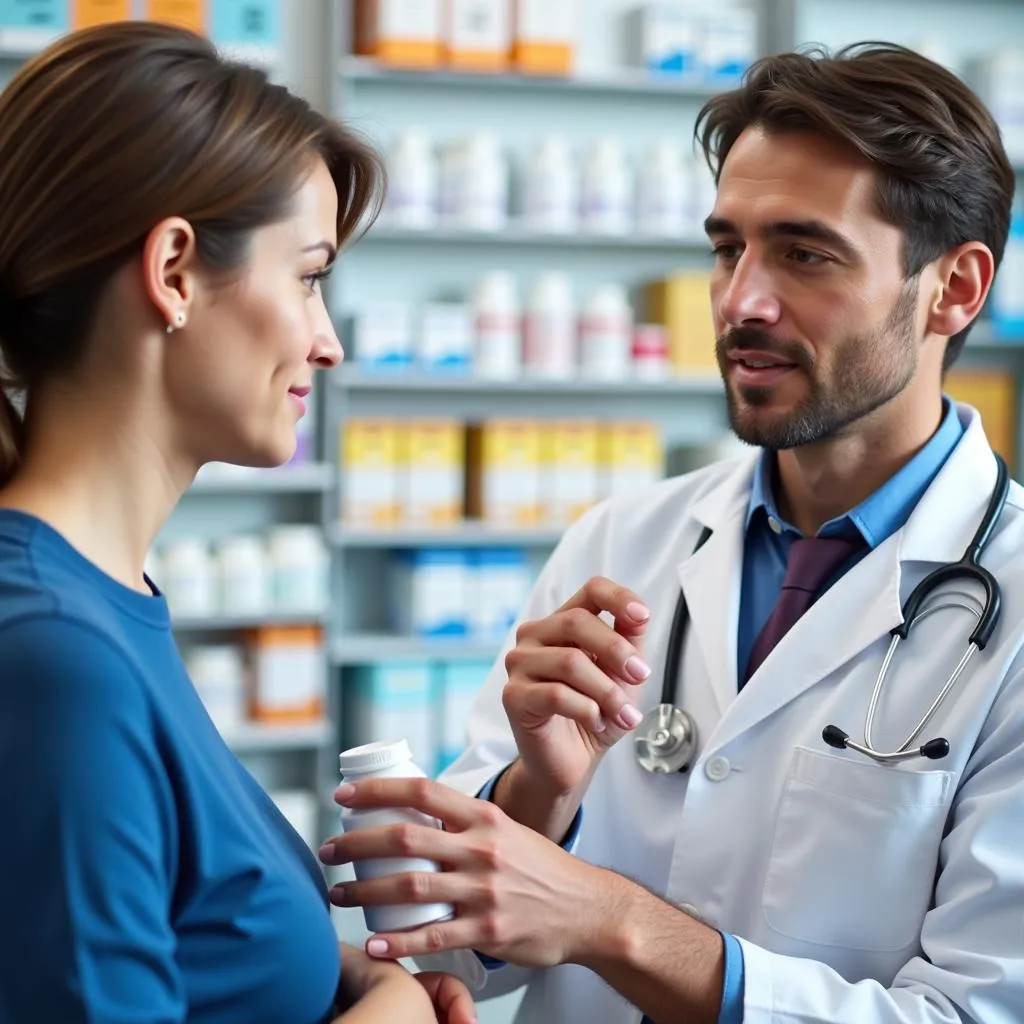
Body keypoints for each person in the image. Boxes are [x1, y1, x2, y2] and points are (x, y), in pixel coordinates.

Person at [316, 41, 1024, 1024]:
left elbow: (977, 1012)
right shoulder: (624, 540)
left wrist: (613, 922)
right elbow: (471, 954)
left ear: (953, 287)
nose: (740, 301)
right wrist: (539, 792)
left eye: (804, 253)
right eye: (727, 246)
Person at [0, 22, 476, 1024]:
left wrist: (357, 976)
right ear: (174, 269)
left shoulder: (104, 604)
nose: (328, 341)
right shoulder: (53, 655)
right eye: (307, 277)